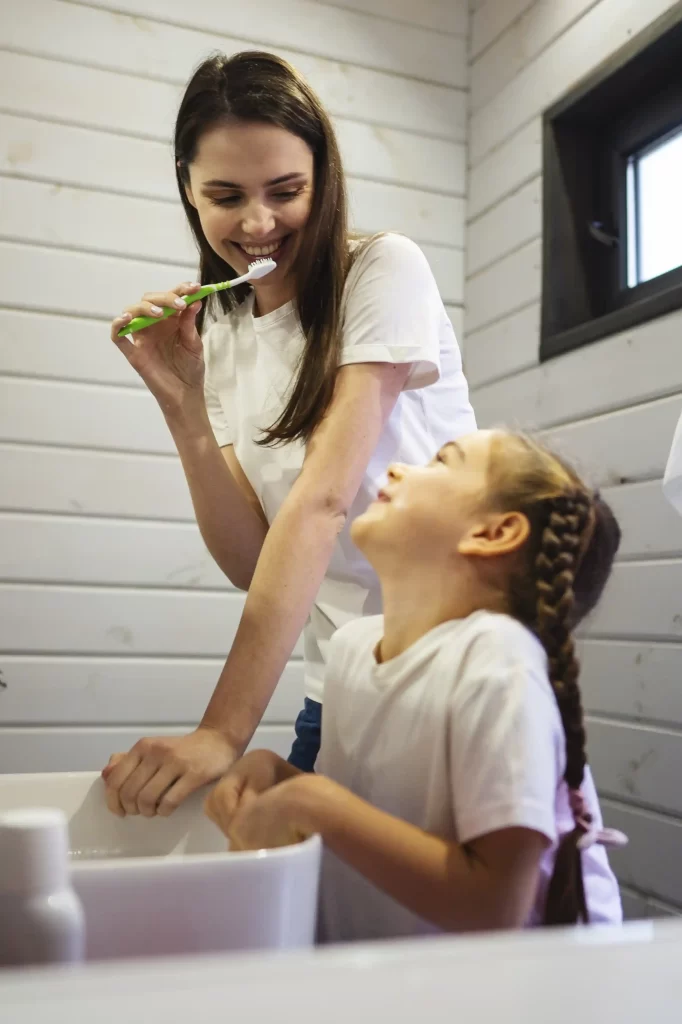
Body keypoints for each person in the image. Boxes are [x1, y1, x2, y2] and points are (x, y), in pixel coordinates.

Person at [102, 50, 476, 817]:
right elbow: (251, 559)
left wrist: (220, 731)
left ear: (323, 179)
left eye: (286, 191)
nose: (258, 222)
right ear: (187, 189)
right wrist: (184, 409)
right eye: (225, 195)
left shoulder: (382, 270)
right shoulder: (221, 328)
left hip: (448, 671)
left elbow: (322, 503)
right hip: (333, 685)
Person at [205, 430, 626, 941]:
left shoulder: (497, 659)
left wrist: (314, 805)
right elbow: (381, 817)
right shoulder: (353, 647)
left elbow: (496, 906)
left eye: (442, 460)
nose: (401, 469)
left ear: (494, 533)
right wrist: (279, 776)